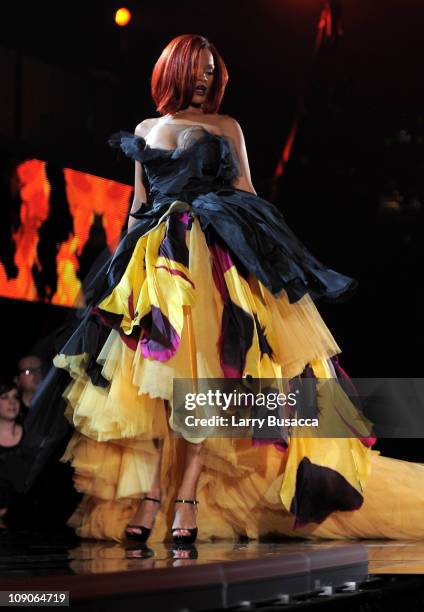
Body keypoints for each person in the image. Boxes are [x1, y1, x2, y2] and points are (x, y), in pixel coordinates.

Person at [26, 34, 424, 544]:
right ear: (176, 68)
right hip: (158, 265)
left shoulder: (226, 126)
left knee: (204, 385)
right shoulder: (147, 129)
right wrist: (116, 278)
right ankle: (154, 495)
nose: (207, 78)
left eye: (213, 71)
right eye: (200, 68)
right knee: (154, 392)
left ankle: (185, 497)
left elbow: (248, 193)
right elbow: (137, 205)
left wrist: (273, 257)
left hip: (213, 259)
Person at [0, 378, 23, 532]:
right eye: (5, 397)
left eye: (15, 397)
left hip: (26, 521)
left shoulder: (31, 436)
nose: (12, 402)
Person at [14, 355, 44, 422]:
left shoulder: (54, 402)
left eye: (39, 369)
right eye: (28, 371)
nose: (35, 374)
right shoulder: (13, 413)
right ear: (17, 380)